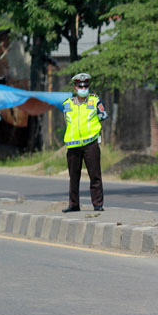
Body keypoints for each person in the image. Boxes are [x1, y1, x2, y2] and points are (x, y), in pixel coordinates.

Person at [62, 73, 108, 213]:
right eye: (80, 86)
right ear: (75, 87)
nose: (83, 88)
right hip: (73, 144)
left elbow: (103, 116)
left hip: (91, 143)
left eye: (85, 86)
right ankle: (74, 205)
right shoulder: (67, 104)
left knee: (95, 175)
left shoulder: (95, 101)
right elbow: (67, 122)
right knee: (73, 177)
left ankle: (98, 204)